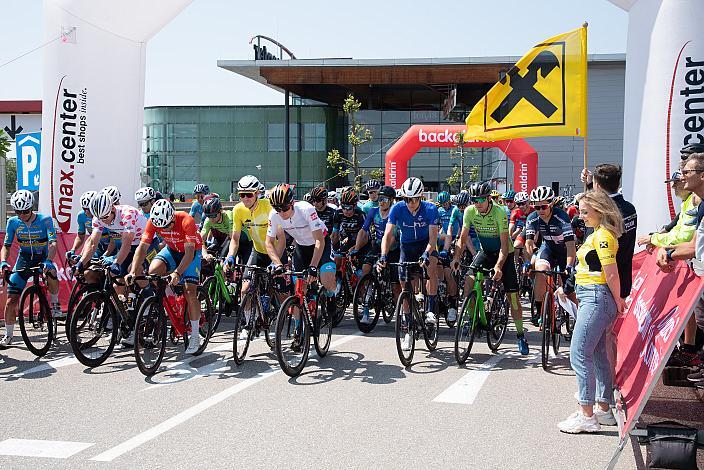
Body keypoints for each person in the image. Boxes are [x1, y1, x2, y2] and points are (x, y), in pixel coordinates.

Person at [558, 190, 624, 434]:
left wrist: (618, 301)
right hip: (594, 296)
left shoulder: (603, 236)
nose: (581, 216)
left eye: (586, 211)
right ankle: (603, 410)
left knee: (579, 354)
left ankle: (587, 416)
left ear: (600, 210)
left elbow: (612, 271)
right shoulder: (599, 234)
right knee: (596, 354)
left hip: (596, 297)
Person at [451, 182, 529, 355]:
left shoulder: (500, 212)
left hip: (504, 254)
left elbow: (503, 245)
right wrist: (456, 258)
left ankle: (520, 335)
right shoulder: (470, 211)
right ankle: (470, 319)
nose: (477, 203)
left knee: (513, 296)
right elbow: (462, 239)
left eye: (480, 199)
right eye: (474, 199)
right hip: (485, 251)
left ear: (488, 198)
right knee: (469, 280)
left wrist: (499, 266)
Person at [637, 171, 700, 366]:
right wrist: (659, 239)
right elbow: (674, 228)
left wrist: (657, 241)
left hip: (695, 261)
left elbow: (685, 238)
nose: (673, 187)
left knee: (694, 309)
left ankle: (691, 350)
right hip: (691, 259)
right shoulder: (687, 202)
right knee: (691, 308)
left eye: (676, 182)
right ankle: (689, 349)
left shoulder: (695, 201)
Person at [265, 184, 337, 351]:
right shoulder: (274, 215)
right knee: (299, 291)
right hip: (302, 248)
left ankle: (332, 294)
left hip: (321, 245)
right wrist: (277, 264)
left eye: (284, 208)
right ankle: (299, 330)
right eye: (277, 208)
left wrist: (313, 267)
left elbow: (320, 240)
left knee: (326, 280)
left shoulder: (306, 209)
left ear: (292, 203)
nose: (281, 212)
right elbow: (269, 243)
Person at [378, 177, 440, 351]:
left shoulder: (430, 209)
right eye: (406, 199)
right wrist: (383, 255)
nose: (410, 203)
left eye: (413, 199)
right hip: (407, 246)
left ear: (420, 197)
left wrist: (427, 254)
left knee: (431, 266)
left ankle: (431, 310)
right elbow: (388, 235)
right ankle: (408, 330)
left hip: (425, 244)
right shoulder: (397, 209)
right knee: (405, 287)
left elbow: (433, 238)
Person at [0, 191, 60, 348]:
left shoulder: (45, 220)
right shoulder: (13, 222)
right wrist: (3, 262)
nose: (22, 215)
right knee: (10, 300)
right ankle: (9, 335)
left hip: (43, 256)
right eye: (18, 212)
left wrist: (48, 260)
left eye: (25, 211)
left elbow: (53, 243)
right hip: (24, 259)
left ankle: (54, 304)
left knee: (51, 273)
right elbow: (6, 246)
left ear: (31, 208)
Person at [525, 186, 577, 325]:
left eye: (544, 206)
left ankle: (578, 320)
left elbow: (571, 246)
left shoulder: (562, 217)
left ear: (552, 203)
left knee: (570, 289)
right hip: (548, 248)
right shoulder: (532, 218)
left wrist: (569, 266)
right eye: (537, 207)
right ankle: (540, 310)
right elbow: (529, 243)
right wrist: (529, 260)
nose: (540, 210)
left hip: (564, 252)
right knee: (540, 272)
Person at [352, 185, 401, 324]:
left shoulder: (394, 213)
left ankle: (400, 315)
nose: (382, 202)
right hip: (377, 245)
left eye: (385, 199)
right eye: (380, 199)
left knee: (395, 284)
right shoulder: (373, 212)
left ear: (391, 200)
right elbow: (363, 231)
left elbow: (392, 237)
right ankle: (366, 307)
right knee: (365, 270)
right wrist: (356, 248)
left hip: (393, 247)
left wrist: (384, 255)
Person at [435, 191, 459, 322]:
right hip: (443, 240)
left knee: (449, 273)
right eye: (442, 204)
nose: (444, 206)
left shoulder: (455, 209)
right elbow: (437, 227)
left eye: (446, 203)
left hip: (456, 239)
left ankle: (453, 305)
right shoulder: (439, 211)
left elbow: (460, 225)